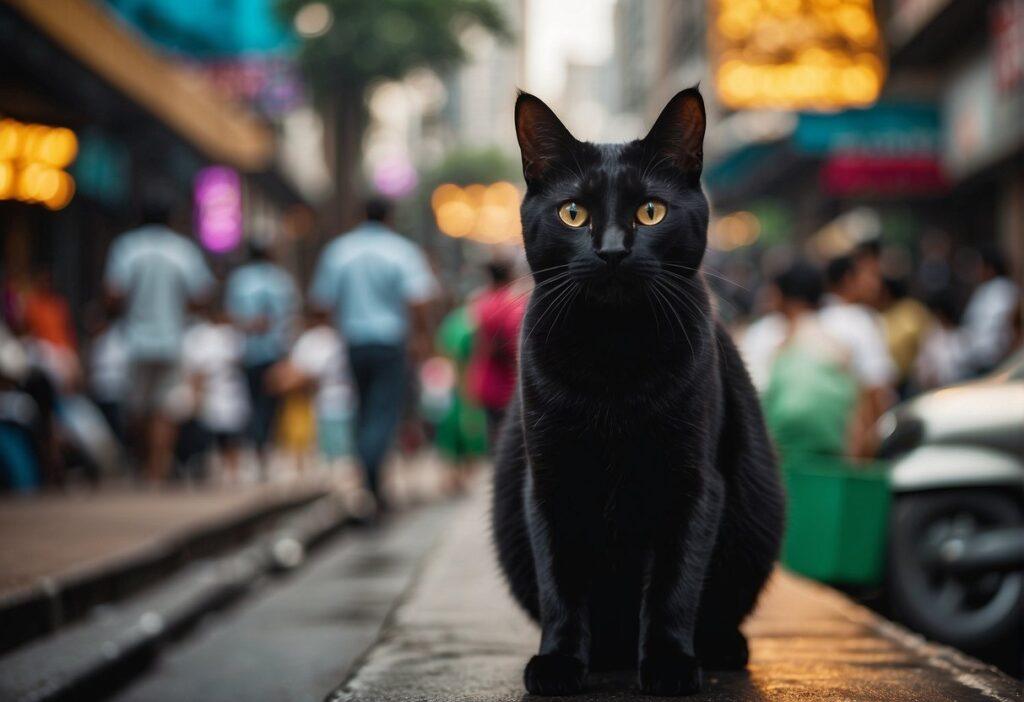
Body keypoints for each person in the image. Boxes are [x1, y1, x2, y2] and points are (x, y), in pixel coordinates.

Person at [309, 197, 436, 508]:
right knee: (383, 412)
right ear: (390, 217)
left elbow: (321, 302)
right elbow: (418, 300)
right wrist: (421, 337)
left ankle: (372, 484)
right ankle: (368, 470)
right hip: (390, 342)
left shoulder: (339, 250)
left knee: (364, 408)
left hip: (354, 342)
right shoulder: (402, 251)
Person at [103, 180, 213, 483]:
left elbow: (113, 292)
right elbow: (201, 294)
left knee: (137, 408)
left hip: (135, 338)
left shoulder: (127, 247)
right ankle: (157, 470)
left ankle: (141, 466)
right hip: (171, 339)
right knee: (165, 409)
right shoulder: (183, 250)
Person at [225, 240, 298, 469]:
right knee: (270, 406)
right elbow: (291, 318)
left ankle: (257, 450)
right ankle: (264, 449)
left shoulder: (239, 280)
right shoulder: (281, 280)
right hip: (274, 352)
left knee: (251, 403)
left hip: (248, 353)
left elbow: (232, 316)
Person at [818, 254, 897, 457]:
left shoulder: (817, 318)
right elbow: (875, 387)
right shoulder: (861, 321)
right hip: (856, 438)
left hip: (824, 433)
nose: (876, 284)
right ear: (848, 279)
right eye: (869, 275)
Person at [182, 298, 250, 483]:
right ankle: (209, 474)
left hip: (231, 392)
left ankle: (232, 474)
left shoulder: (232, 335)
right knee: (207, 439)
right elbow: (195, 371)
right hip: (209, 395)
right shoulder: (198, 336)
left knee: (232, 436)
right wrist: (195, 396)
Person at [466, 260, 526, 445]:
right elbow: (514, 343)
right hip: (508, 380)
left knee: (494, 434)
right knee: (513, 437)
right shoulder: (513, 304)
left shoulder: (480, 303)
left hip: (487, 379)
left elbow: (477, 343)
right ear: (510, 275)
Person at [960, 244, 1018, 376]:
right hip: (978, 361)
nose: (976, 271)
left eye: (979, 266)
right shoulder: (986, 290)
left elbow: (991, 333)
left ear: (990, 268)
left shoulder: (1001, 291)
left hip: (991, 365)